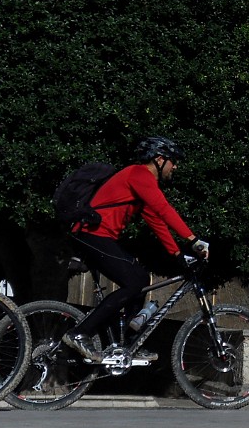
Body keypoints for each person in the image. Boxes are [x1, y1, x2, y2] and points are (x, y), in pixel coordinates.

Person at [61, 136, 209, 363]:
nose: (175, 166)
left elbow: (156, 220)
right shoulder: (139, 174)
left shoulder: (141, 184)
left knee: (139, 278)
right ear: (159, 159)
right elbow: (164, 208)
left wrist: (177, 254)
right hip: (92, 235)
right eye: (173, 161)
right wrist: (192, 239)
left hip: (98, 237)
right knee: (134, 282)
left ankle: (130, 343)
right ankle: (79, 333)